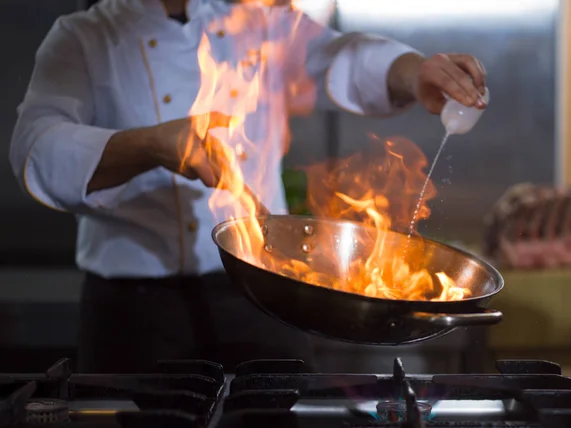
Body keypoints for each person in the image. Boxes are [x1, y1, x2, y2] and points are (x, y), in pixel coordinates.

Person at [9, 0, 487, 373]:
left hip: (263, 290)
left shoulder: (253, 21)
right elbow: (36, 149)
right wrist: (152, 145)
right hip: (131, 305)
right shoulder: (82, 37)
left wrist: (416, 71)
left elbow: (341, 56)